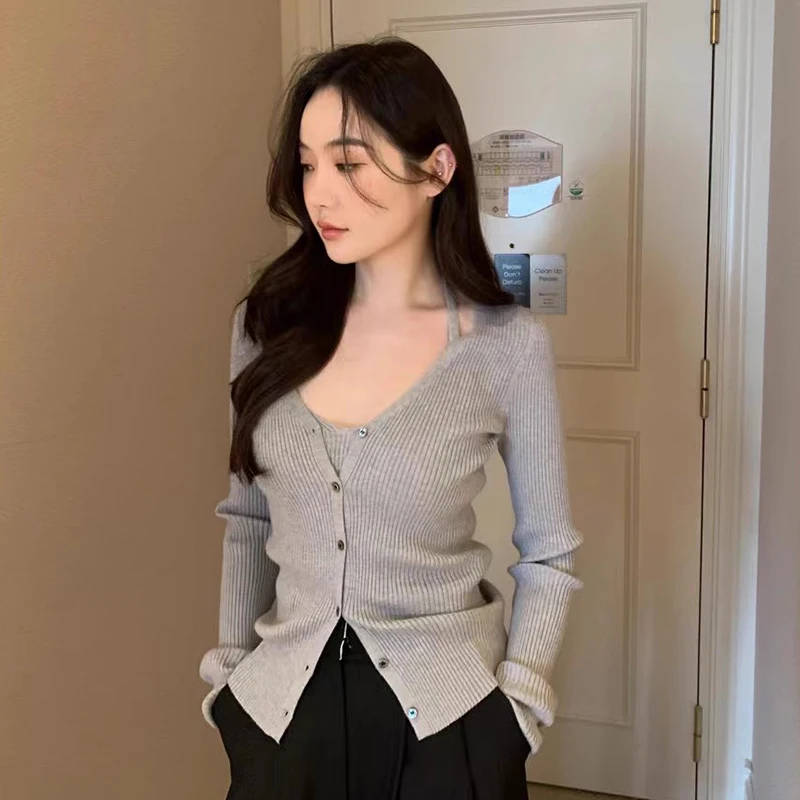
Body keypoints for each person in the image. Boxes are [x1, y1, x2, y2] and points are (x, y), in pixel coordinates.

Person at [198, 36, 583, 800]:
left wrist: (518, 708)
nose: (320, 194)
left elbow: (550, 553)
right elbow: (247, 519)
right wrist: (230, 679)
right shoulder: (266, 327)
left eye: (349, 164)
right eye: (307, 165)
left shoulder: (505, 347)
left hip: (449, 723)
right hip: (281, 718)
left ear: (437, 169)